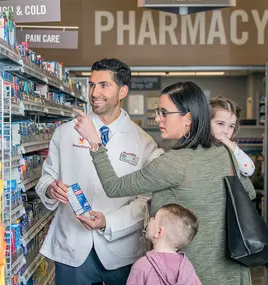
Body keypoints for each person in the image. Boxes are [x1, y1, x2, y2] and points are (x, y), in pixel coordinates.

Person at [74, 81, 256, 285]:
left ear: (187, 118)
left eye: (164, 112)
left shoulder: (173, 163)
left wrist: (94, 142)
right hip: (232, 269)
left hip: (192, 273)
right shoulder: (225, 153)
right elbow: (248, 193)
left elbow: (113, 187)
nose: (157, 118)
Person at [35, 58, 163, 285]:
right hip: (72, 246)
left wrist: (108, 222)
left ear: (122, 91)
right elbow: (46, 177)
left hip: (121, 250)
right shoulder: (65, 133)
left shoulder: (143, 143)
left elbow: (145, 201)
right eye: (92, 85)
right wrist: (50, 189)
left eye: (104, 85)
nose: (95, 92)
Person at [126, 203, 202, 285]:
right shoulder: (187, 268)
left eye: (154, 218)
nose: (151, 218)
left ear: (159, 232)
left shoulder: (142, 266)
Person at [210, 96, 255, 177]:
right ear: (206, 122)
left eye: (231, 126)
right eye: (220, 124)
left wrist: (232, 147)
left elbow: (249, 170)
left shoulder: (231, 148)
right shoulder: (197, 145)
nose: (226, 131)